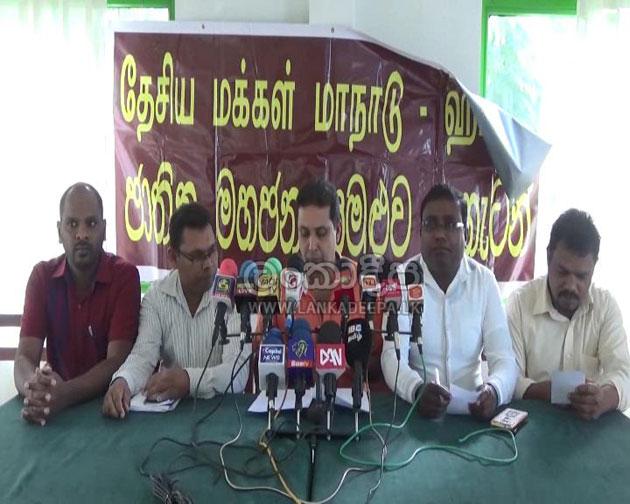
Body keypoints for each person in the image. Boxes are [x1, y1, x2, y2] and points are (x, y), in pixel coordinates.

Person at [381, 183, 517, 420]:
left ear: (466, 234)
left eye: (451, 225)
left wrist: (494, 391)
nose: (440, 235)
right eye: (430, 224)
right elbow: (392, 356)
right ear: (420, 233)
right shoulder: (402, 280)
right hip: (418, 414)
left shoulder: (484, 282)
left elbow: (504, 359)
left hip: (472, 415)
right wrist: (416, 389)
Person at [103, 202, 250, 419]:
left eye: (212, 252)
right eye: (196, 257)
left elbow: (237, 374)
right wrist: (123, 381)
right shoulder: (156, 298)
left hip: (225, 418)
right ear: (173, 257)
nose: (208, 264)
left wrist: (188, 381)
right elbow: (143, 356)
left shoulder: (236, 295)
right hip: (170, 420)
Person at [15, 183, 140, 425]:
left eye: (91, 223)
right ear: (59, 231)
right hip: (55, 409)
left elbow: (117, 361)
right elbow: (24, 358)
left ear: (104, 229)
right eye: (72, 224)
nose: (82, 234)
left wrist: (64, 394)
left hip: (110, 409)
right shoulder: (42, 277)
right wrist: (35, 391)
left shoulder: (125, 276)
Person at [255, 178, 381, 390]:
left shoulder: (363, 285)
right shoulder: (278, 288)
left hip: (351, 406)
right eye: (304, 234)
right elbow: (259, 358)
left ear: (338, 231)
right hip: (291, 406)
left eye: (321, 233)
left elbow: (380, 363)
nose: (311, 245)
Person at [507, 209, 630, 420]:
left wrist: (603, 397)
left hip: (589, 428)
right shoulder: (519, 304)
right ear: (548, 257)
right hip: (533, 427)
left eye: (582, 276)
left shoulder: (605, 307)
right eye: (563, 272)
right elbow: (509, 379)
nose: (571, 286)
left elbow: (624, 373)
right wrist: (557, 392)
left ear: (594, 267)